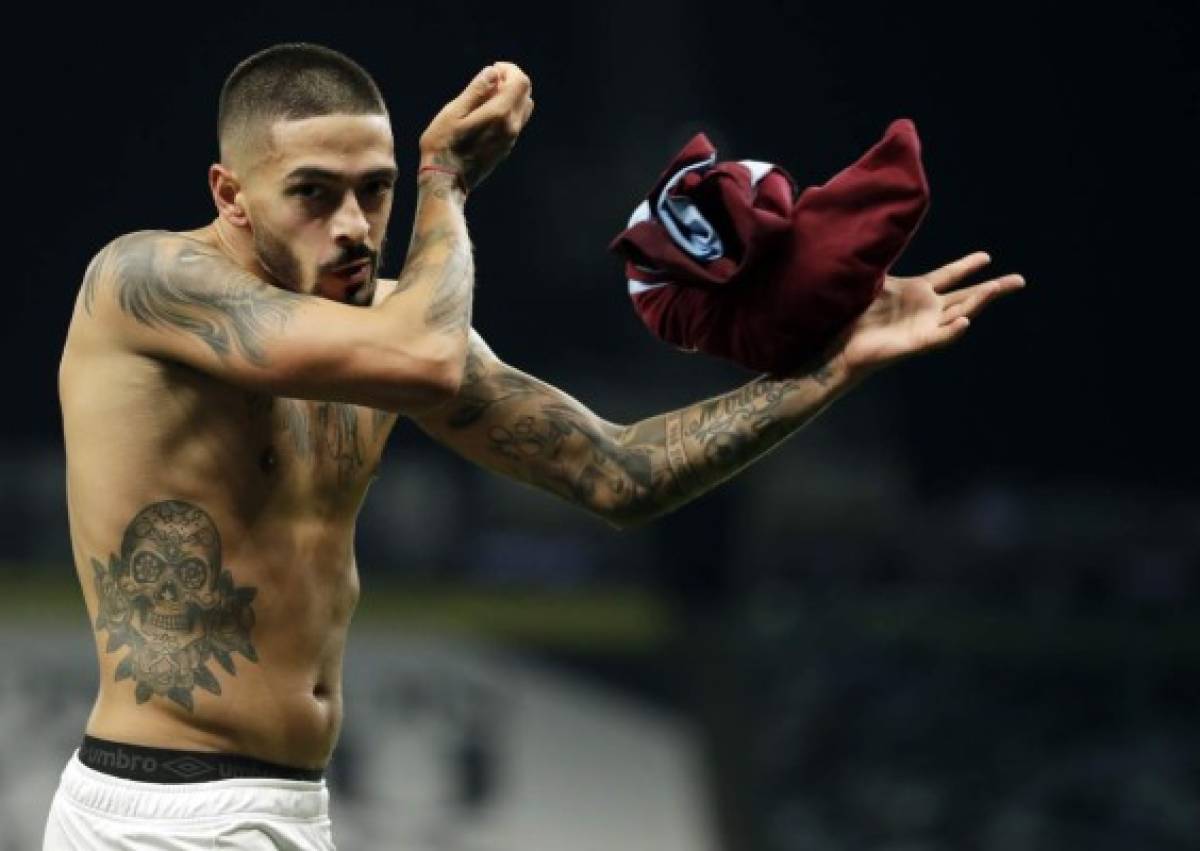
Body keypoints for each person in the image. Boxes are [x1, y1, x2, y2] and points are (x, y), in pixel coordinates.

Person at [47, 42, 1024, 851]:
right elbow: (426, 361)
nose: (353, 226)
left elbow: (620, 471)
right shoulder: (148, 284)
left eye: (376, 189)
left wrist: (830, 367)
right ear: (231, 192)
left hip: (291, 805)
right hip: (161, 811)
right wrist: (444, 182)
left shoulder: (387, 326)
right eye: (313, 191)